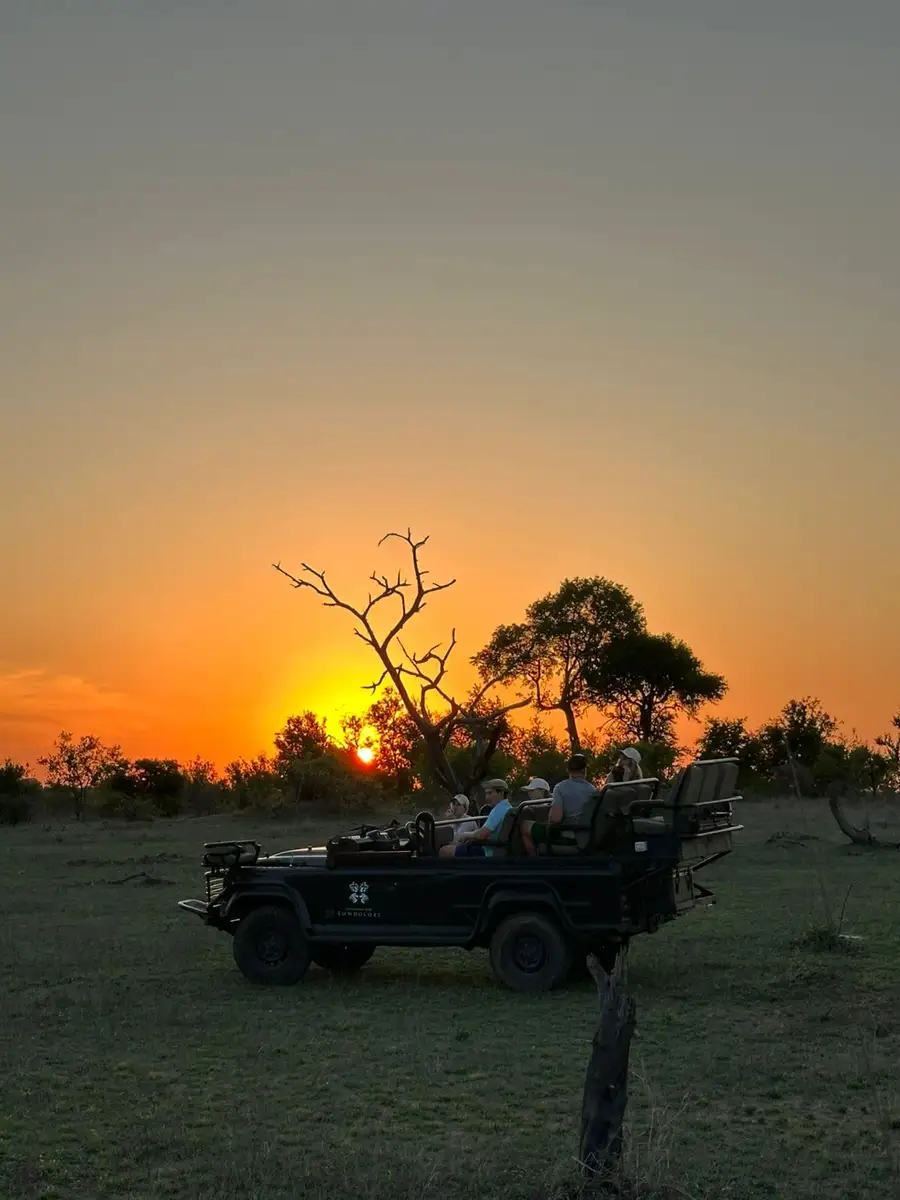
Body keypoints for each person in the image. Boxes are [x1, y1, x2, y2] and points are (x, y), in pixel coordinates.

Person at [519, 754, 599, 857]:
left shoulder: (560, 788)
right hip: (585, 836)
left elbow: (556, 819)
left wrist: (548, 820)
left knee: (524, 826)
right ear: (584, 770)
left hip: (566, 834)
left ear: (568, 770)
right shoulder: (593, 790)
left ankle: (534, 861)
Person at [447, 779, 511, 858]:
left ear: (501, 793)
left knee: (444, 850)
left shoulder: (498, 810)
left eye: (490, 793)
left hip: (488, 852)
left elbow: (481, 835)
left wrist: (465, 835)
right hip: (496, 849)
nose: (487, 797)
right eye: (486, 793)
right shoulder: (508, 808)